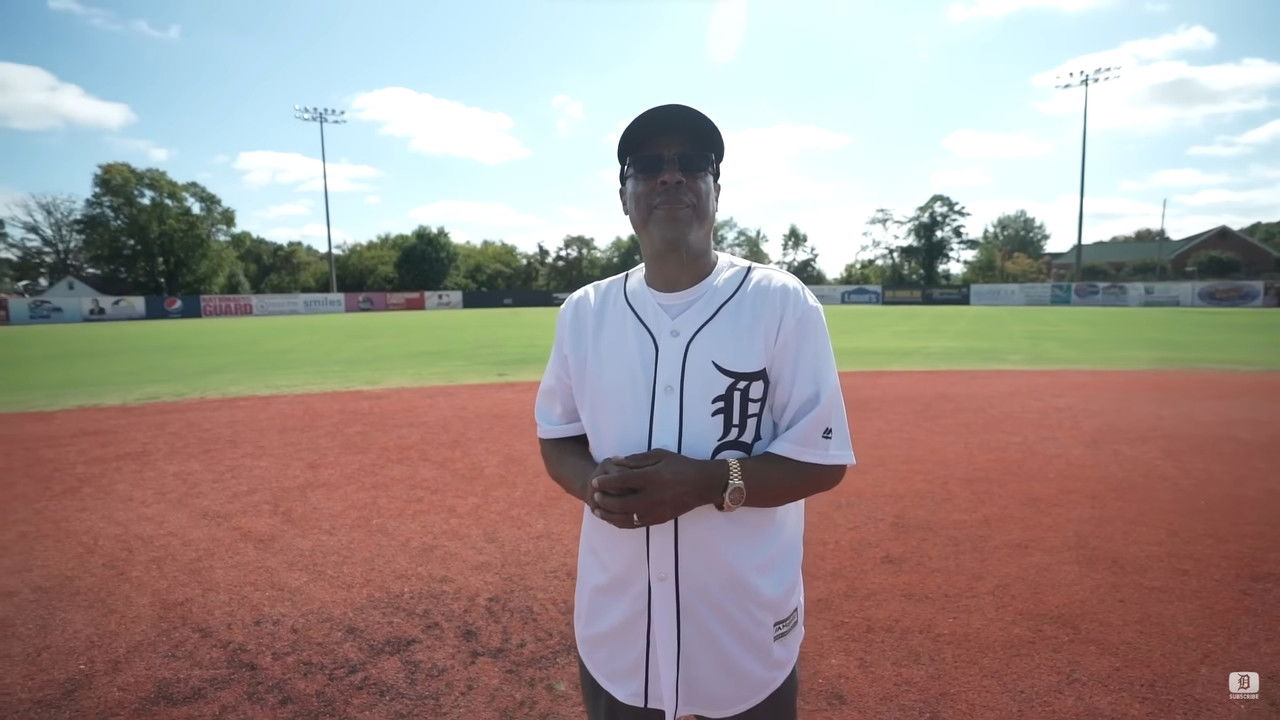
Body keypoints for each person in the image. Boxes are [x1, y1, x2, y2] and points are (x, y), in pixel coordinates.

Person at [534, 104, 856, 720]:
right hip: (616, 632)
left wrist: (710, 482)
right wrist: (593, 487)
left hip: (743, 638)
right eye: (649, 165)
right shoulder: (585, 311)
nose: (670, 176)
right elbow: (558, 436)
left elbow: (822, 460)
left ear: (715, 188)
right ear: (624, 194)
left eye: (692, 163)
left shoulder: (780, 302)